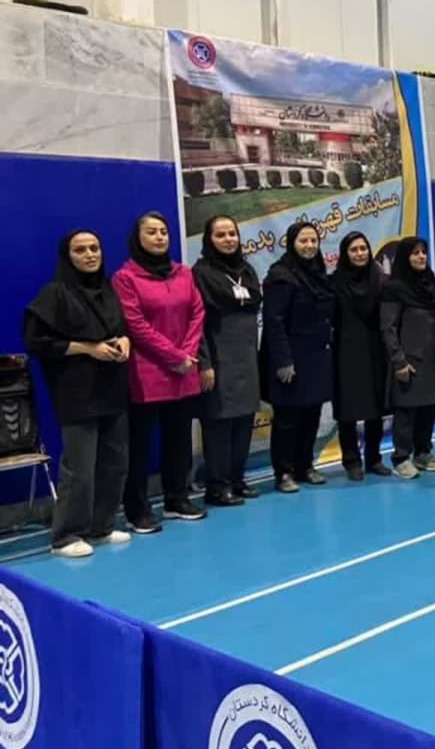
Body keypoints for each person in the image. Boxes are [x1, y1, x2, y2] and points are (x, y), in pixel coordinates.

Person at [24, 230, 132, 557]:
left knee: (115, 463)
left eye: (94, 248)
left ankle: (101, 526)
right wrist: (87, 348)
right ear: (67, 256)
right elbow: (37, 342)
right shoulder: (54, 294)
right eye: (80, 250)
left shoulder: (107, 289)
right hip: (77, 392)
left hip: (112, 387)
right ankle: (66, 536)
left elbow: (121, 327)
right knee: (80, 468)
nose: (89, 255)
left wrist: (124, 340)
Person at [114, 211, 207, 530]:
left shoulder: (184, 273)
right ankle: (137, 509)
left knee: (179, 439)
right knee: (139, 446)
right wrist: (174, 355)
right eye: (152, 232)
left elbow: (197, 312)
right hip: (147, 373)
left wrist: (188, 353)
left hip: (184, 370)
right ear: (137, 238)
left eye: (163, 232)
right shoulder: (125, 278)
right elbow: (135, 325)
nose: (159, 237)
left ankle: (177, 498)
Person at [193, 216, 262, 507]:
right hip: (219, 359)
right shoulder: (201, 273)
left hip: (247, 358)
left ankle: (237, 479)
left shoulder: (246, 269)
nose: (228, 239)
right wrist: (204, 363)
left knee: (244, 423)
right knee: (219, 424)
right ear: (209, 239)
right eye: (220, 235)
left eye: (232, 233)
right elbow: (196, 323)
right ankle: (217, 486)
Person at [262, 221, 335, 494]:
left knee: (312, 415)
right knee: (287, 419)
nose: (309, 246)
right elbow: (274, 321)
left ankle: (305, 466)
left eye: (313, 241)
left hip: (316, 357)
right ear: (292, 243)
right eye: (303, 241)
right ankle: (284, 472)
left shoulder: (318, 273)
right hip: (291, 358)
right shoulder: (281, 276)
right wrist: (283, 361)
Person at [380, 236, 435, 479]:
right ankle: (401, 457)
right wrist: (399, 360)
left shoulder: (432, 284)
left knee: (429, 407)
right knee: (406, 412)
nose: (421, 257)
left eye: (423, 252)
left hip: (433, 359)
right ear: (405, 257)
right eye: (415, 253)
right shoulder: (394, 288)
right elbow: (388, 327)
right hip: (409, 360)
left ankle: (423, 452)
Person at [333, 232, 391, 481]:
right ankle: (351, 460)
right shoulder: (334, 282)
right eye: (354, 250)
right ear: (345, 254)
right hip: (345, 351)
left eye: (363, 248)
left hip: (375, 350)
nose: (359, 254)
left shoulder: (381, 281)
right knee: (347, 409)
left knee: (375, 408)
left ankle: (374, 458)